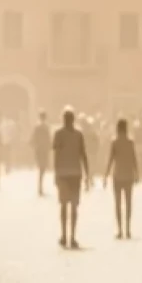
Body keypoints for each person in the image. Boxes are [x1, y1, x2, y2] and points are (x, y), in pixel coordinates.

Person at [53, 107, 90, 249]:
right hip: (74, 173)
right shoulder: (77, 135)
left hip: (64, 173)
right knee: (73, 207)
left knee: (64, 206)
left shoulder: (59, 134)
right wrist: (87, 174)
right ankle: (71, 237)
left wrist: (56, 174)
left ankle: (64, 235)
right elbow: (83, 155)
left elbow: (56, 155)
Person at [104, 118, 139, 239]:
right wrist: (137, 173)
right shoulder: (130, 142)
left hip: (117, 175)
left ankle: (120, 230)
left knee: (118, 204)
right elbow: (134, 158)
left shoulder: (115, 142)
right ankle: (128, 229)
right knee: (128, 203)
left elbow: (111, 159)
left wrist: (106, 174)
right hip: (128, 175)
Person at [32, 112, 51, 197]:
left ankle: (40, 187)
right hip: (44, 150)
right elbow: (48, 139)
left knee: (41, 168)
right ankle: (40, 187)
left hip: (39, 149)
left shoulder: (37, 126)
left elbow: (33, 138)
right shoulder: (46, 127)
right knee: (42, 169)